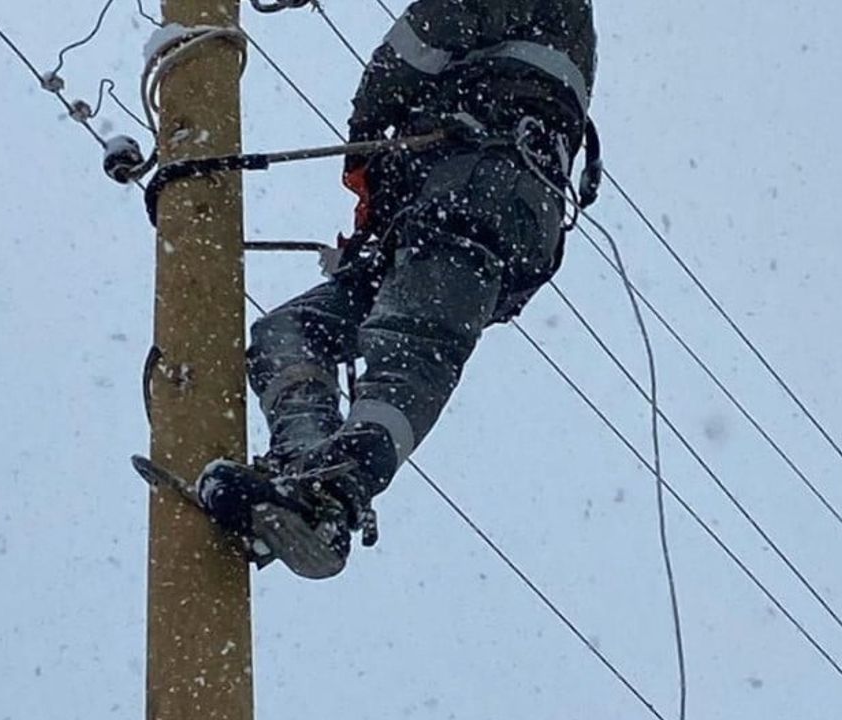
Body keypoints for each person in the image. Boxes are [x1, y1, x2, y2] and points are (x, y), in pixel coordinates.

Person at [198, 0, 598, 579]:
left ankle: (332, 496)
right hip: (432, 208)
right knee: (290, 332)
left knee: (412, 345)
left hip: (486, 186)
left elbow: (437, 25)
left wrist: (369, 124)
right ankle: (299, 465)